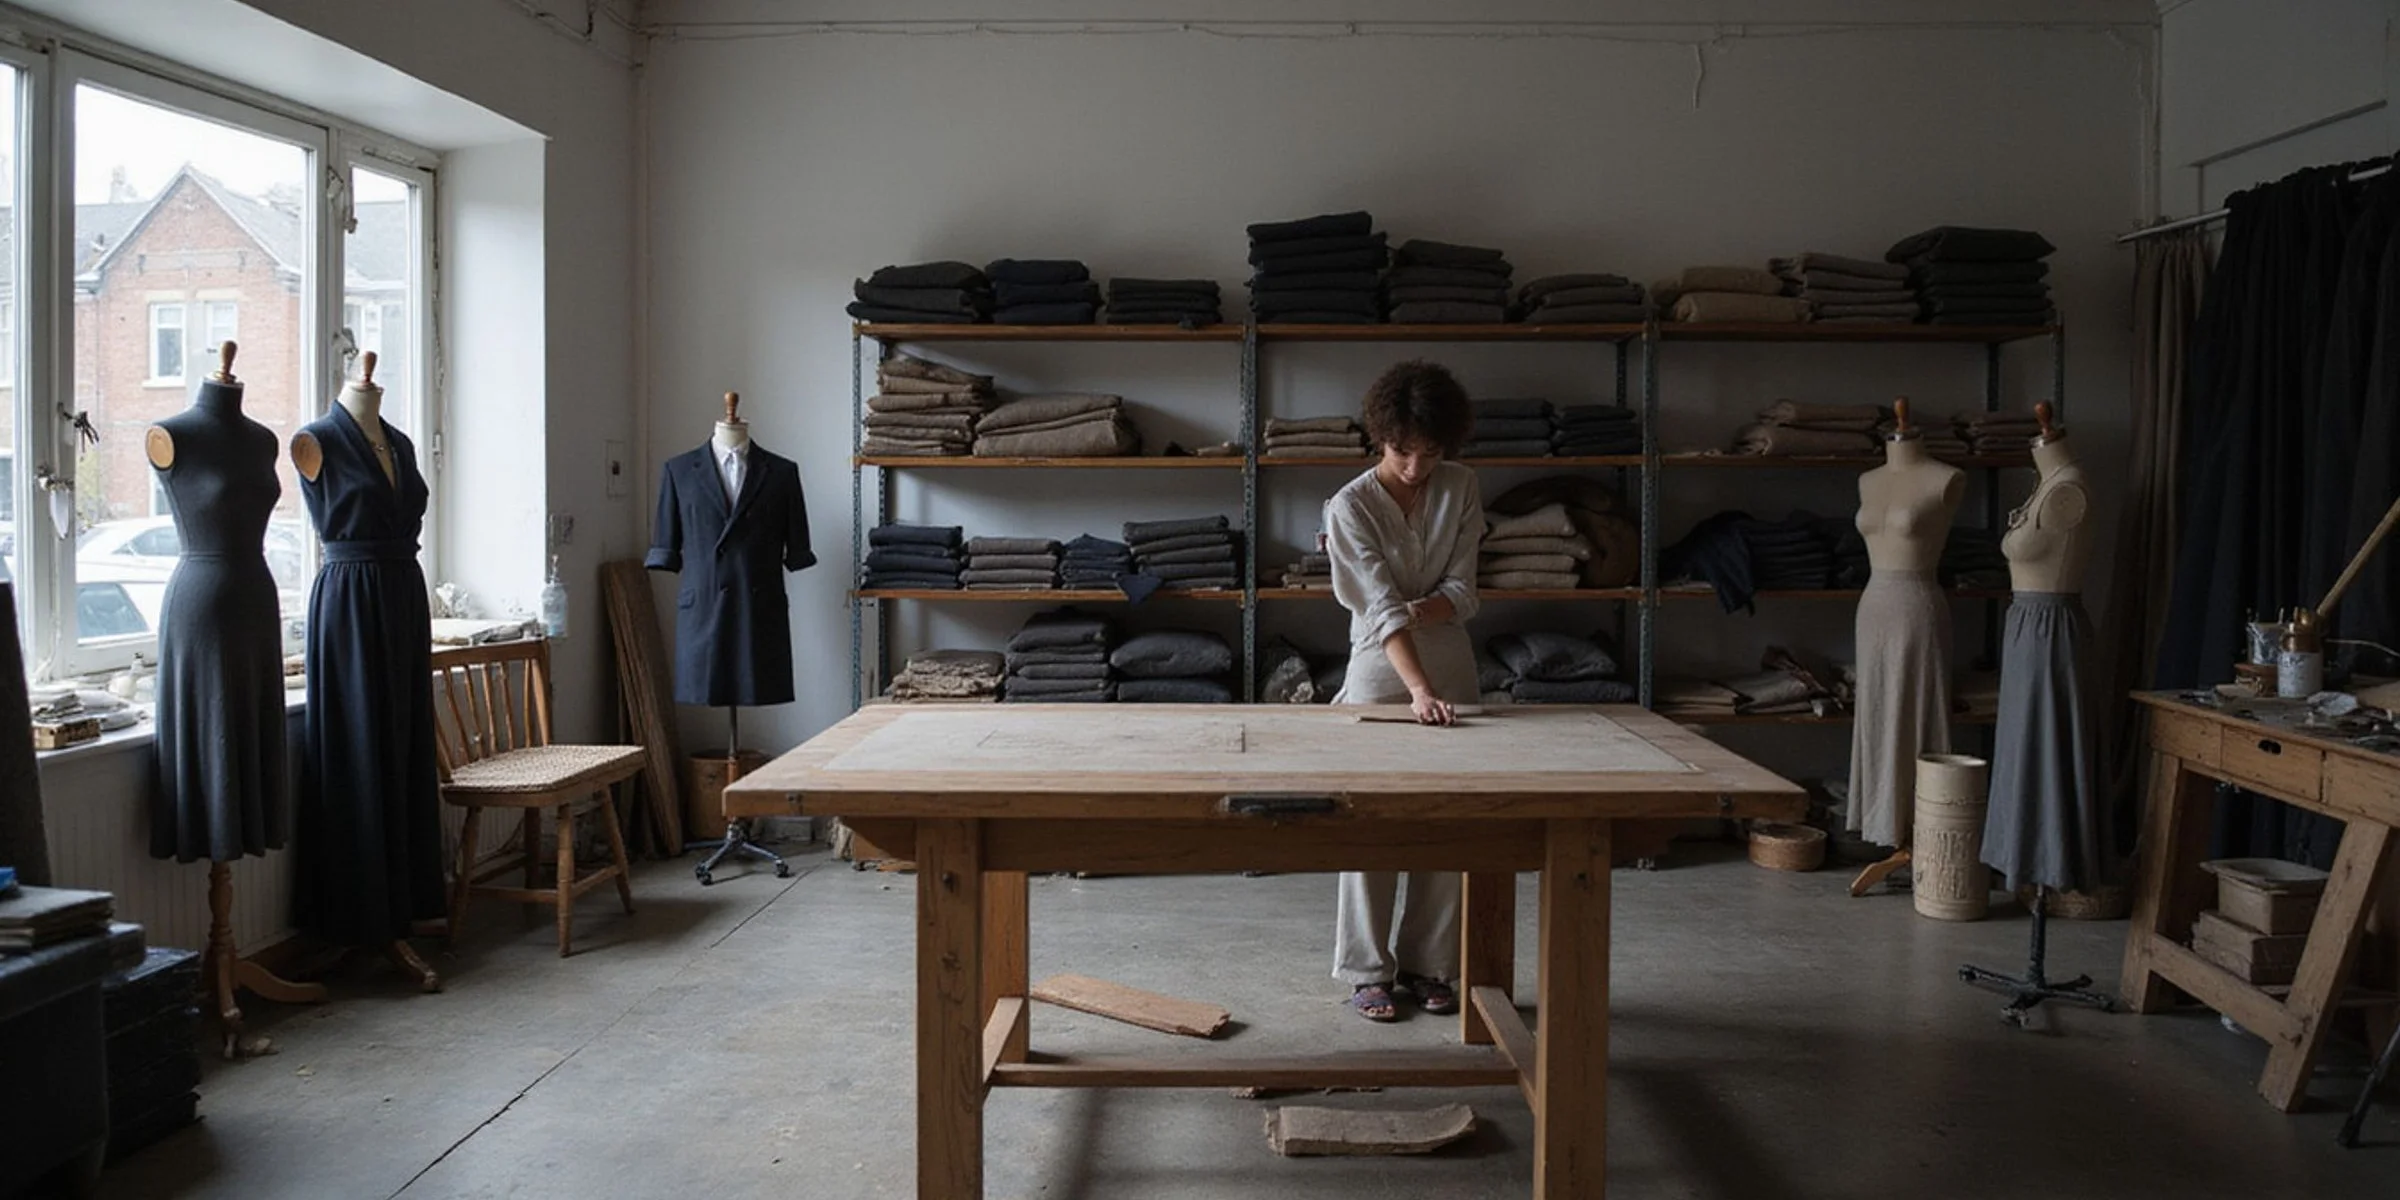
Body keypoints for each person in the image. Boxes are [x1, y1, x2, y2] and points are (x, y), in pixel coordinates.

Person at [1324, 359, 1483, 1022]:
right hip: (1381, 675)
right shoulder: (1349, 505)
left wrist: (1412, 612)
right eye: (1401, 452)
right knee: (1370, 824)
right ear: (1378, 438)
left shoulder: (1462, 487)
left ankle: (1432, 964)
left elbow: (1464, 593)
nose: (1416, 468)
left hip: (1453, 669)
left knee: (1450, 823)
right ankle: (1367, 970)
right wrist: (1416, 686)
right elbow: (1378, 610)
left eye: (1430, 453)